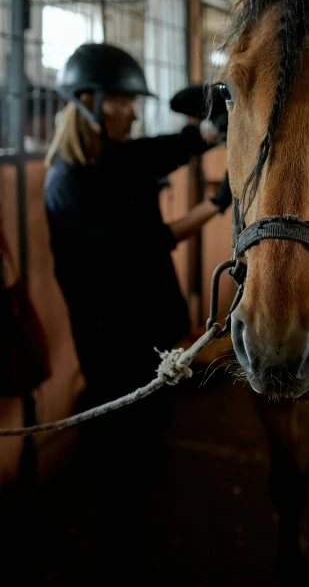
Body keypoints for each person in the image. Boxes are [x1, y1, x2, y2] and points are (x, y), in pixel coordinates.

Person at [43, 42, 232, 576]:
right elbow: (152, 240)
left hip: (142, 333)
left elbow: (163, 150)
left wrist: (212, 130)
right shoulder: (69, 183)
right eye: (123, 100)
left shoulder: (114, 157)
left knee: (146, 447)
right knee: (129, 458)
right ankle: (114, 555)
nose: (133, 109)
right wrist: (217, 205)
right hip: (113, 344)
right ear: (87, 100)